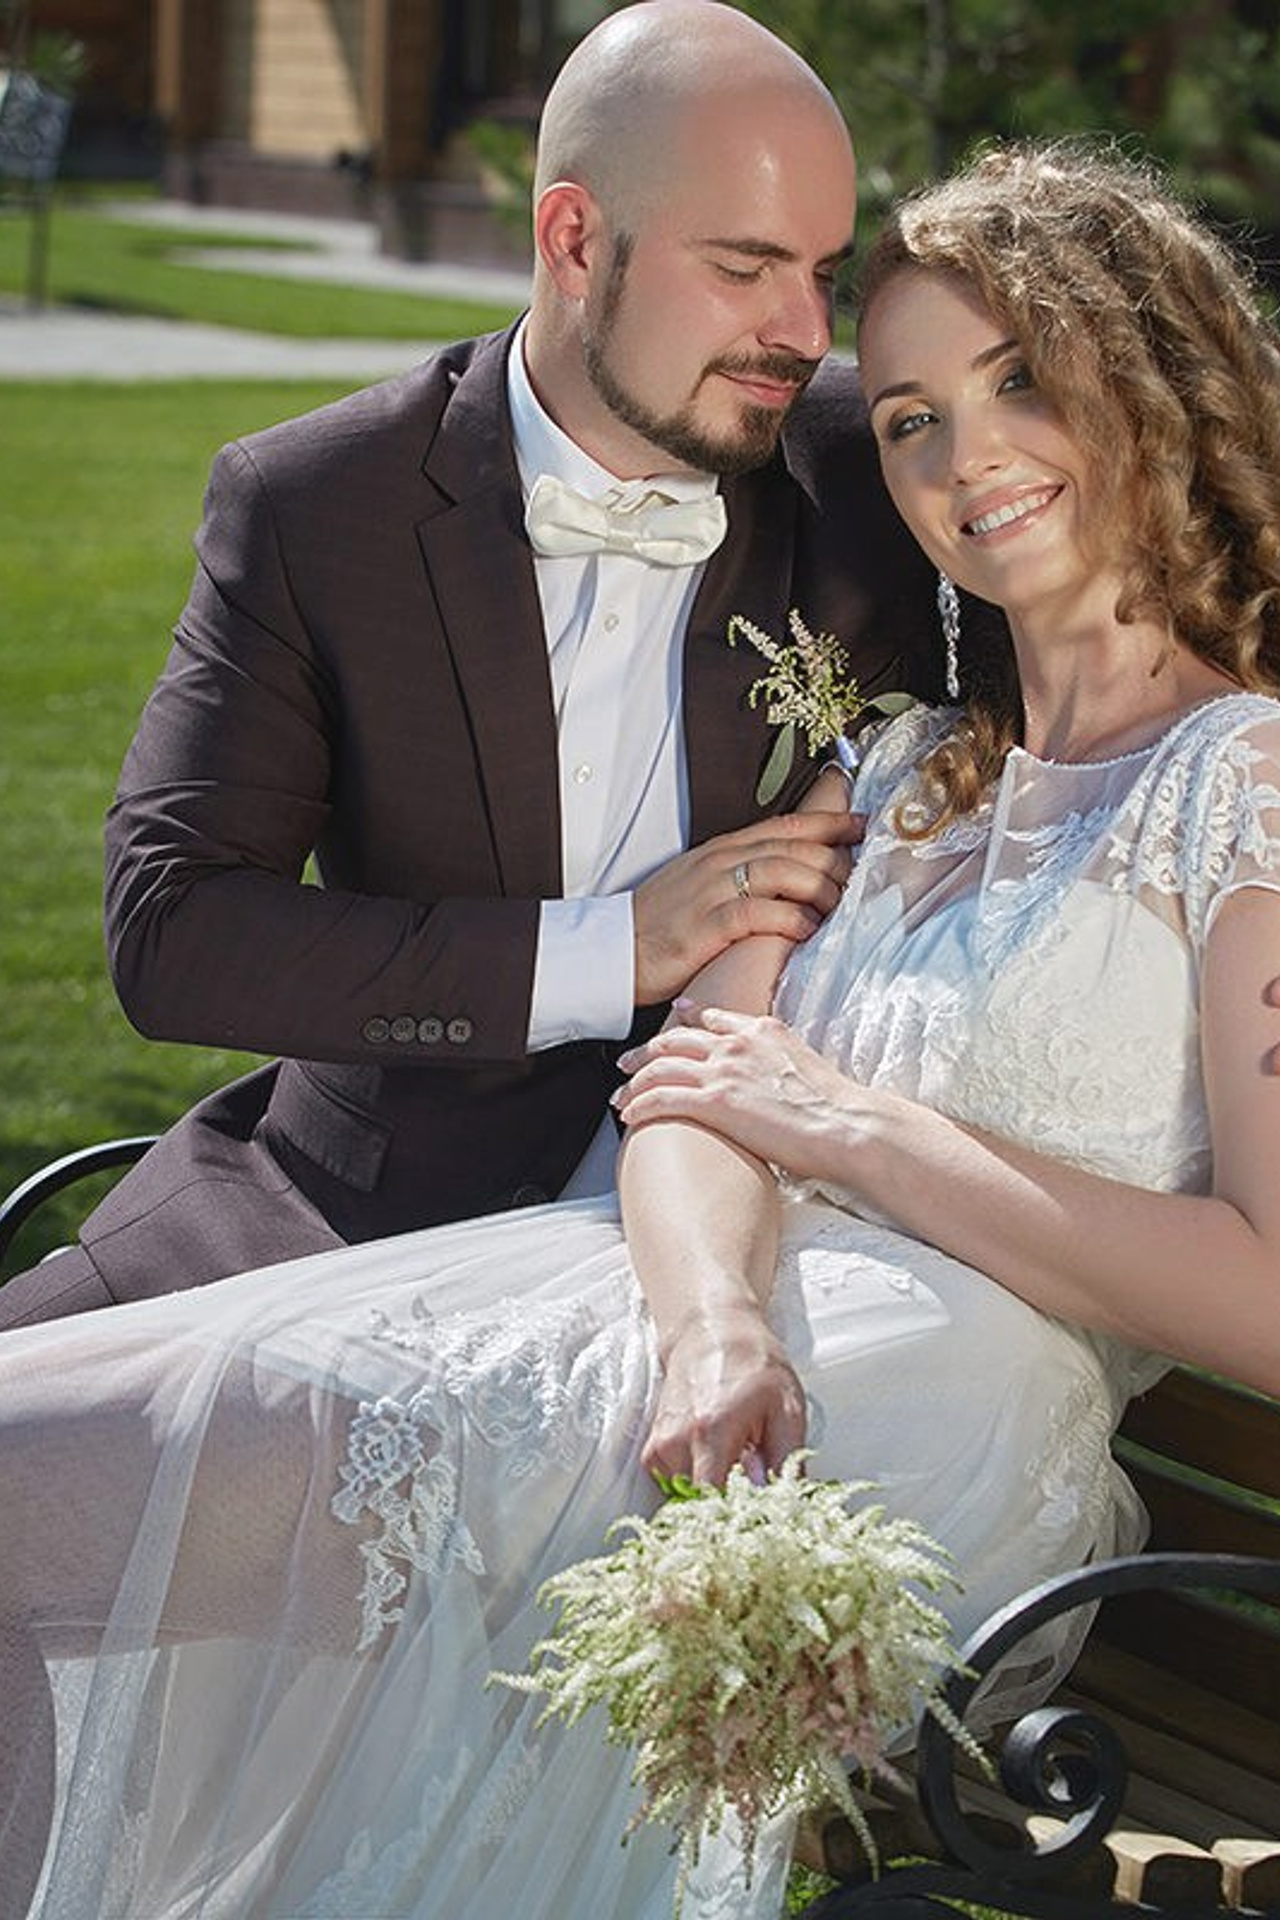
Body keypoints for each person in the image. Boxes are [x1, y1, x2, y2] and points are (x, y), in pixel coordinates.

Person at [4, 138, 1280, 1920]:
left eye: (1024, 381)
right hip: (681, 1326)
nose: (962, 455)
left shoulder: (1248, 786)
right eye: (906, 415)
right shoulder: (905, 767)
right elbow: (694, 1091)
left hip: (930, 1420)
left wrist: (854, 1130)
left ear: (1154, 384)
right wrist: (705, 1327)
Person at [0, 0, 950, 1331]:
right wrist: (614, 946)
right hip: (362, 1217)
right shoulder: (321, 506)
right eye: (745, 267)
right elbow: (176, 930)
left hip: (765, 1236)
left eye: (824, 271)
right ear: (572, 240)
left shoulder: (880, 462)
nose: (801, 328)